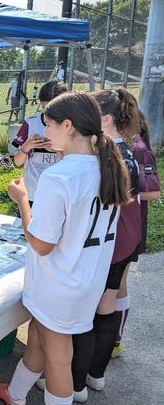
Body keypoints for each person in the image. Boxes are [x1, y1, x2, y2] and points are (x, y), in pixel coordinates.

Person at [0, 91, 129, 405]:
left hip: (60, 282)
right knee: (38, 337)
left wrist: (22, 200)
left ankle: (21, 394)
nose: (44, 131)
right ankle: (15, 393)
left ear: (68, 126)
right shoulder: (106, 166)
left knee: (58, 358)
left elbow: (41, 243)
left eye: (48, 124)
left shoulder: (59, 176)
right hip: (86, 278)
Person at [61, 89, 144, 399]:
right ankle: (96, 376)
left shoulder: (105, 156)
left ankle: (76, 384)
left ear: (105, 120)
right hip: (126, 238)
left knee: (86, 312)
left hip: (106, 241)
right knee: (106, 308)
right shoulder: (130, 151)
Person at [112, 110, 161, 357]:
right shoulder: (121, 146)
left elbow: (153, 192)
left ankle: (115, 339)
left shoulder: (139, 149)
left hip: (129, 227)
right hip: (118, 225)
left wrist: (126, 192)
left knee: (119, 284)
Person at [11, 81, 67, 206]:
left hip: (59, 195)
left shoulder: (72, 125)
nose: (47, 113)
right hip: (32, 194)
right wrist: (26, 147)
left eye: (52, 109)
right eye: (43, 108)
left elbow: (78, 161)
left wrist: (57, 150)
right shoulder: (31, 123)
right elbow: (17, 162)